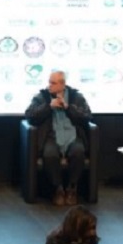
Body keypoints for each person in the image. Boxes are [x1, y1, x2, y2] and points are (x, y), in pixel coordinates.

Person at [25, 71, 93, 206]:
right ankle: (58, 188)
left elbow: (87, 116)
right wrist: (48, 107)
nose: (49, 85)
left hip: (73, 135)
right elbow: (30, 116)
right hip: (51, 136)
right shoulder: (41, 97)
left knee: (78, 152)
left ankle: (72, 188)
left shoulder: (76, 97)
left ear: (62, 84)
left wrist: (68, 108)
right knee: (49, 154)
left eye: (53, 83)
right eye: (49, 82)